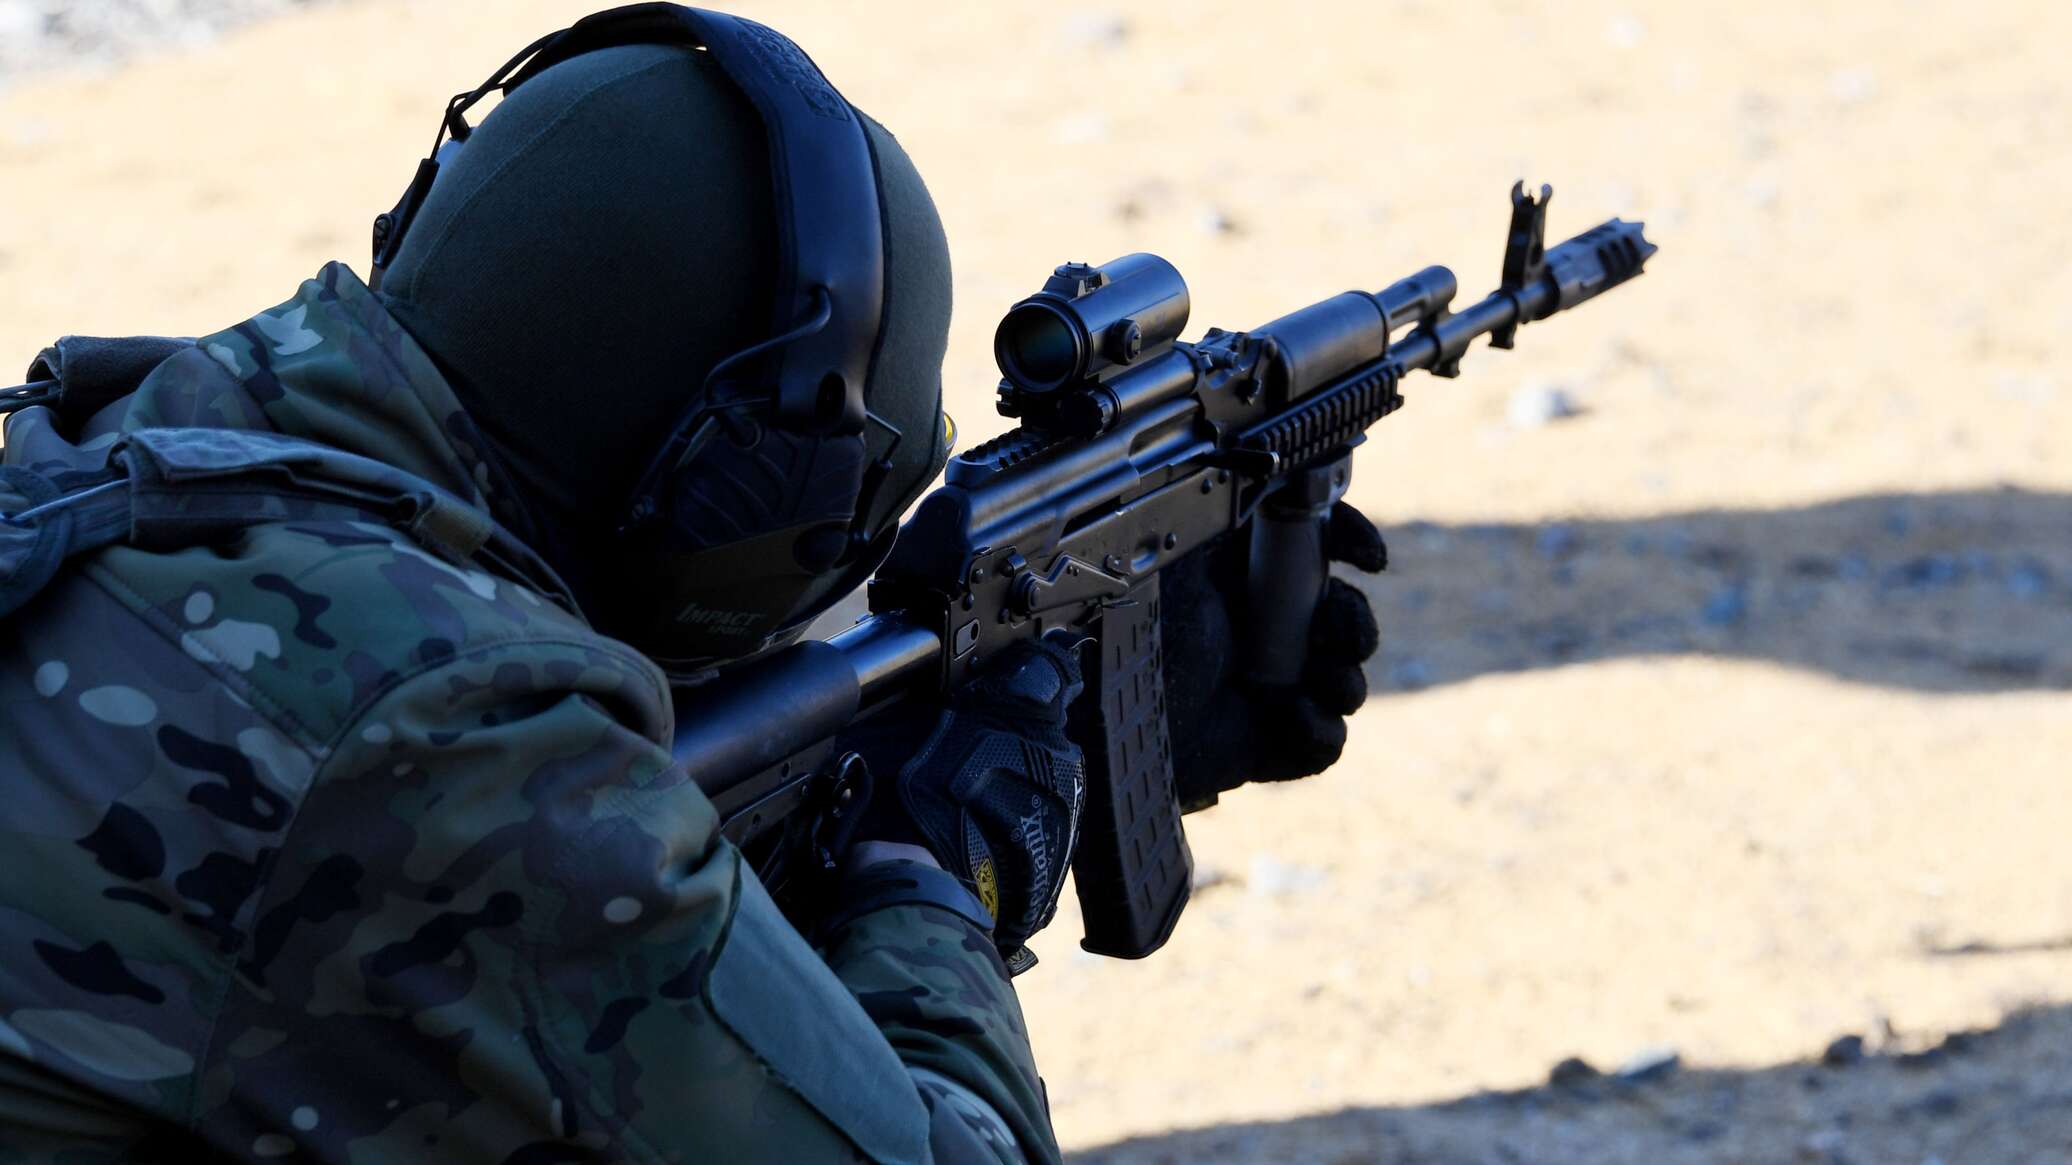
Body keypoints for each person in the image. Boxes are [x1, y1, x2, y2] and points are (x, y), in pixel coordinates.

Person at [0, 7, 1379, 1162]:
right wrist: (932, 880)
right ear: (734, 498)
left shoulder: (151, 441)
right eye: (833, 535)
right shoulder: (441, 742)